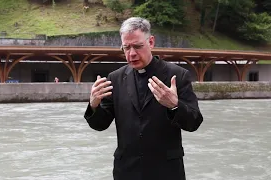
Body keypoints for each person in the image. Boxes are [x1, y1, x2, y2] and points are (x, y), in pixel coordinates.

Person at [84, 17, 203, 180]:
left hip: (166, 172)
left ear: (151, 42)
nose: (132, 53)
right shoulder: (115, 78)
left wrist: (174, 106)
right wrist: (93, 105)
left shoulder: (177, 75)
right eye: (126, 48)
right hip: (126, 172)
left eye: (138, 46)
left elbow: (194, 123)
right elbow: (100, 125)